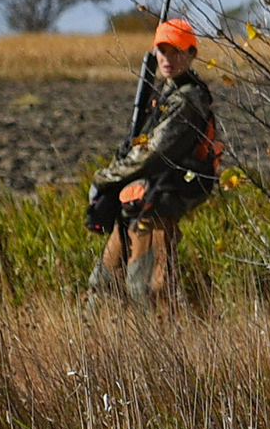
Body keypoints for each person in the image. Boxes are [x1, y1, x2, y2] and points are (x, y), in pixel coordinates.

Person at [89, 17, 221, 305]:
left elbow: (155, 153)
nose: (168, 58)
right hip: (137, 201)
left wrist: (106, 178)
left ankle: (163, 349)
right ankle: (95, 346)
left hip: (160, 201)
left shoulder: (188, 100)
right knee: (103, 287)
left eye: (176, 50)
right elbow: (140, 145)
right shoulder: (166, 94)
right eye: (162, 50)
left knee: (147, 290)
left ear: (191, 54)